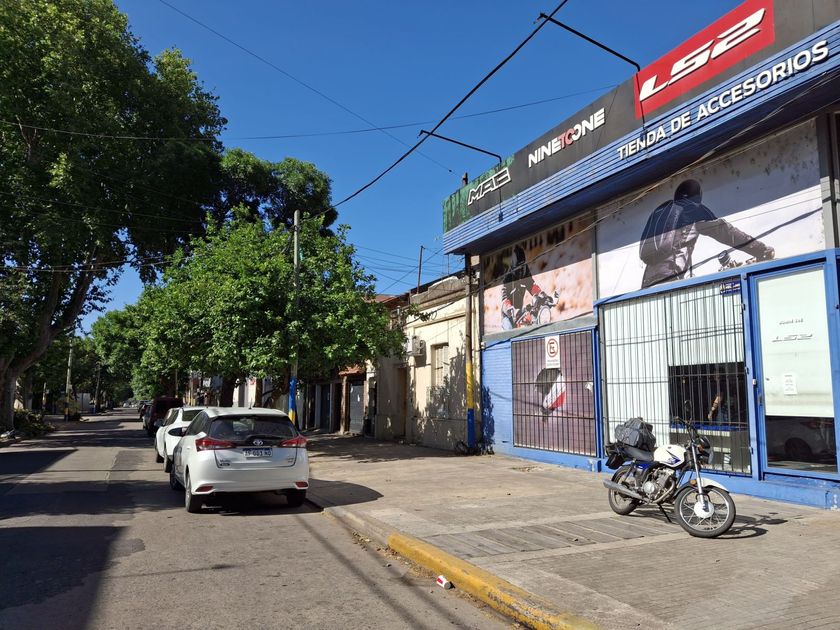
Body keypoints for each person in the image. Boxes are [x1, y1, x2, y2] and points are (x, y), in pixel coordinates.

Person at [639, 179, 775, 289]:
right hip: (670, 277)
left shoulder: (662, 212)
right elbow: (727, 233)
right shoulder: (693, 209)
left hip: (647, 282)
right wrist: (760, 250)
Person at [501, 245, 551, 329]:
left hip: (520, 312)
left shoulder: (525, 271)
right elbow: (504, 299)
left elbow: (531, 285)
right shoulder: (507, 278)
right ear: (513, 267)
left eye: (522, 266)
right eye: (518, 268)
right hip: (508, 315)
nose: (520, 270)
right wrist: (510, 308)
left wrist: (541, 294)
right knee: (509, 330)